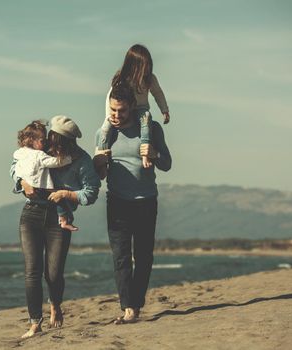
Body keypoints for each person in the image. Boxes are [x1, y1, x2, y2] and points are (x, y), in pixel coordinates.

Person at [10, 115, 101, 338]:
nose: (52, 146)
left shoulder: (81, 160)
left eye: (57, 143)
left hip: (59, 218)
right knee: (32, 271)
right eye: (51, 140)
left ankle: (55, 305)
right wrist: (22, 183)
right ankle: (34, 322)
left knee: (53, 273)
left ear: (69, 143)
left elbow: (91, 193)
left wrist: (67, 193)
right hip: (31, 213)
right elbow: (15, 167)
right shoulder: (40, 148)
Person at [94, 82, 172, 324]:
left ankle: (136, 304)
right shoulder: (104, 134)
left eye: (122, 111)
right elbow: (100, 176)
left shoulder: (150, 128)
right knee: (120, 257)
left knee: (144, 256)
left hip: (146, 201)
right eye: (113, 110)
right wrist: (99, 162)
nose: (116, 116)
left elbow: (167, 164)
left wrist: (154, 153)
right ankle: (128, 307)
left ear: (132, 108)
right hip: (117, 201)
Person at [98, 44, 170, 170]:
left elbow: (158, 93)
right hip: (126, 110)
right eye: (144, 66)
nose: (146, 69)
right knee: (105, 129)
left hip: (141, 109)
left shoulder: (150, 79)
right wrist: (110, 116)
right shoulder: (123, 78)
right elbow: (111, 96)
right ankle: (102, 157)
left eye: (148, 65)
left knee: (146, 119)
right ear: (133, 65)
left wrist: (164, 110)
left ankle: (145, 154)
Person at [13, 120, 78, 231]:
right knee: (60, 199)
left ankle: (63, 220)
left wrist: (21, 182)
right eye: (43, 140)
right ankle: (64, 221)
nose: (46, 143)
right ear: (32, 140)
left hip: (29, 189)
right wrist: (69, 159)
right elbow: (55, 163)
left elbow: (14, 168)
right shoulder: (39, 154)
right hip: (41, 187)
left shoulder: (19, 153)